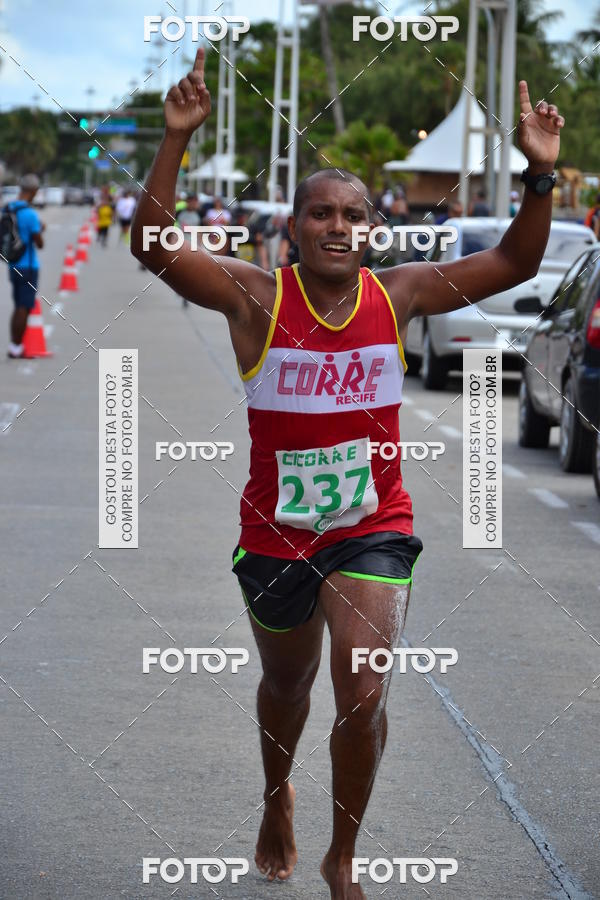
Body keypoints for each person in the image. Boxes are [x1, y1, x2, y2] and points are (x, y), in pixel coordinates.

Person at [131, 49, 564, 898]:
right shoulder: (257, 297)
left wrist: (539, 176)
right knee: (287, 687)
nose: (338, 226)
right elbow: (152, 247)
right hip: (275, 534)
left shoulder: (399, 295)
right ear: (294, 229)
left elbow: (513, 263)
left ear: (372, 229)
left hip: (374, 525)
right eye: (321, 213)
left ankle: (344, 854)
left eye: (354, 215)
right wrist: (175, 141)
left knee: (363, 689)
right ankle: (275, 795)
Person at [4, 173, 44, 359]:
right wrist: (41, 230)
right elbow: (39, 243)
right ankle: (16, 347)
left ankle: (15, 346)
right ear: (34, 191)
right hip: (28, 266)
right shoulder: (29, 214)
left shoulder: (7, 209)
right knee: (24, 306)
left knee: (18, 305)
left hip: (12, 264)